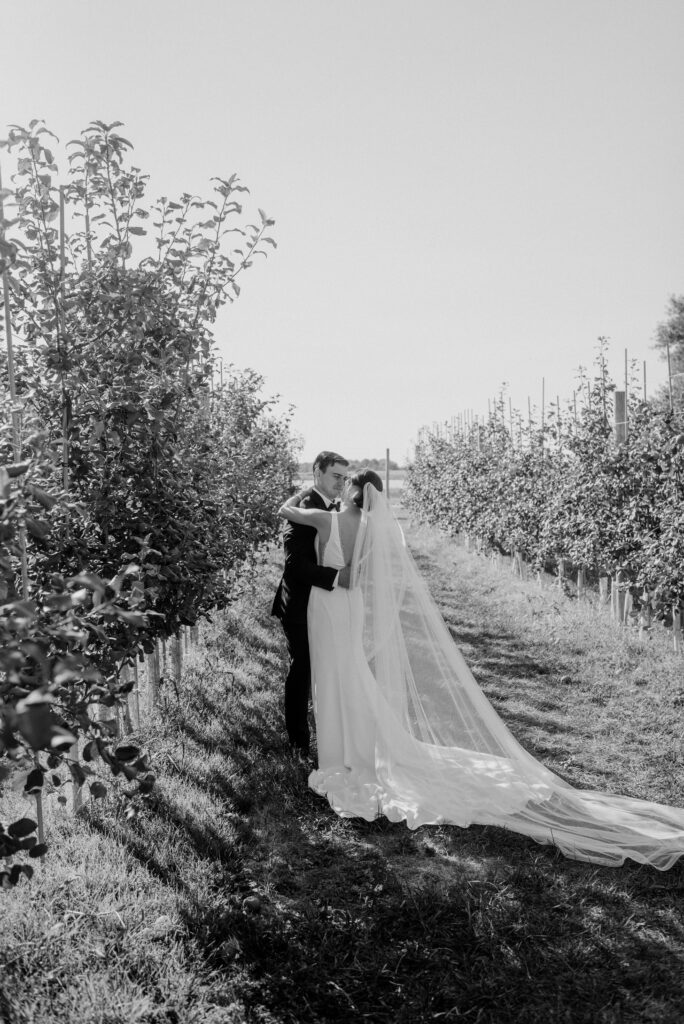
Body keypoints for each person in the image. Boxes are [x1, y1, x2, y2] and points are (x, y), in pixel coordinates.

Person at [278, 472, 684, 870]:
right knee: (351, 675)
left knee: (334, 678)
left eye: (346, 480)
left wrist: (304, 492)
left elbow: (285, 510)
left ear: (351, 490)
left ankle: (342, 755)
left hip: (326, 606)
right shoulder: (372, 526)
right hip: (351, 605)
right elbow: (361, 574)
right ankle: (360, 748)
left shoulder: (327, 519)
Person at [271, 451, 351, 757]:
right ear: (318, 472)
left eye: (345, 478)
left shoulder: (334, 506)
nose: (341, 484)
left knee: (322, 667)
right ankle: (298, 743)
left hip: (325, 605)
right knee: (302, 669)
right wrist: (337, 578)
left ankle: (325, 732)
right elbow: (295, 566)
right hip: (300, 606)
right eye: (336, 476)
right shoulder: (305, 507)